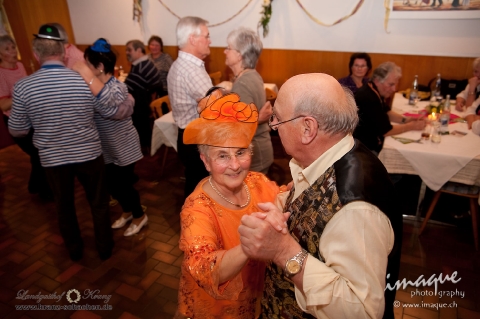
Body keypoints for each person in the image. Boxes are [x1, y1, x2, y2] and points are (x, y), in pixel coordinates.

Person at [238, 73, 403, 319]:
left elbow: (364, 312)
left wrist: (283, 251)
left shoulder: (356, 208)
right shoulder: (336, 151)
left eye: (278, 118)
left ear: (308, 128)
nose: (273, 126)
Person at [8, 24, 132, 261]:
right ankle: (105, 247)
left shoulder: (23, 87)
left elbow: (17, 129)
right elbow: (106, 109)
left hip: (53, 159)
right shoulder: (83, 81)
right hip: (89, 152)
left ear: (36, 55)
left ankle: (75, 250)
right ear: (64, 53)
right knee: (98, 203)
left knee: (64, 206)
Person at [175, 88, 287, 319]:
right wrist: (250, 244)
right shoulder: (197, 208)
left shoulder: (256, 182)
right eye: (223, 156)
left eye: (241, 152)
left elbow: (284, 197)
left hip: (257, 298)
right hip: (218, 310)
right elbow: (205, 269)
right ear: (205, 161)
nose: (235, 165)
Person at [73, 38, 147, 237]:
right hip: (105, 146)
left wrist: (86, 76)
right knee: (113, 186)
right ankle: (128, 211)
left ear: (98, 67)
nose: (86, 68)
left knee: (124, 185)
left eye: (89, 64)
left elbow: (105, 100)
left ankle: (140, 215)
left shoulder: (117, 87)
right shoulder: (93, 87)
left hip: (123, 145)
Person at [0, 34, 52, 199]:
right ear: (0, 54)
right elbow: (3, 104)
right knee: (38, 153)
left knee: (38, 152)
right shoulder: (0, 73)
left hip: (31, 118)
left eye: (13, 47)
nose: (12, 51)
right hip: (15, 120)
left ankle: (34, 185)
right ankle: (45, 192)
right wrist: (23, 95)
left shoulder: (20, 66)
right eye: (7, 49)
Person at [167, 16, 213, 198]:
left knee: (194, 185)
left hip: (186, 137)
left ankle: (191, 222)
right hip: (196, 140)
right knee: (200, 190)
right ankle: (195, 225)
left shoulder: (179, 65)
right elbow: (215, 108)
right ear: (192, 39)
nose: (210, 41)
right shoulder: (192, 70)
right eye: (207, 36)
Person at [225, 27, 273, 174]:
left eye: (228, 48)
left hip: (254, 154)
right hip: (259, 148)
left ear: (239, 55)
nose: (224, 51)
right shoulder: (252, 75)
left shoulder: (242, 83)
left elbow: (241, 127)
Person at [353, 62, 425, 155]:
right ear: (377, 81)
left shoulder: (373, 89)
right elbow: (386, 131)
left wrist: (407, 120)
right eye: (391, 85)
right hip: (364, 149)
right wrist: (412, 126)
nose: (394, 89)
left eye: (395, 84)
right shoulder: (368, 97)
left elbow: (386, 111)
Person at [124, 39, 161, 149]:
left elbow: (126, 88)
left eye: (129, 50)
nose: (127, 52)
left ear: (139, 50)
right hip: (147, 102)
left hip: (142, 108)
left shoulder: (140, 68)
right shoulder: (145, 63)